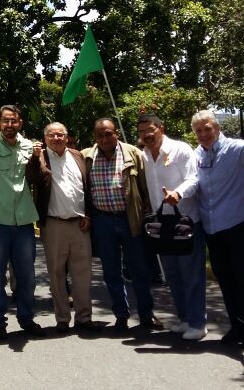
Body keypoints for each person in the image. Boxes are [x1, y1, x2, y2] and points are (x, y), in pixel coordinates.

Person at [167, 110, 244, 349]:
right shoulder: (197, 155)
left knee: (243, 279)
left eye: (207, 129)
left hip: (236, 223)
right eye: (198, 131)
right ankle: (237, 326)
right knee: (225, 279)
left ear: (217, 128)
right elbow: (192, 182)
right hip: (212, 227)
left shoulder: (235, 148)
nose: (203, 134)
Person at [0, 103, 44, 339]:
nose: (10, 125)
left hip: (23, 221)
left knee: (26, 275)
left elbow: (37, 175)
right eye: (5, 121)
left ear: (20, 123)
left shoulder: (29, 146)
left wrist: (37, 156)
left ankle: (26, 318)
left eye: (14, 120)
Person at [85, 118, 161, 332]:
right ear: (95, 137)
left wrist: (147, 209)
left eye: (108, 133)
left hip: (131, 219)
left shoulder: (133, 154)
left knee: (139, 269)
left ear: (116, 132)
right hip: (103, 221)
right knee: (111, 271)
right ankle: (121, 314)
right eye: (100, 135)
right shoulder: (87, 157)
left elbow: (145, 185)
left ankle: (146, 314)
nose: (104, 138)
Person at [25, 122, 100, 334]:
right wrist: (33, 157)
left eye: (60, 135)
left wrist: (88, 214)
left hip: (79, 224)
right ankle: (62, 318)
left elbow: (87, 187)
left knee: (82, 273)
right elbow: (32, 178)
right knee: (56, 273)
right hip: (54, 223)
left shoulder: (78, 156)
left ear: (66, 137)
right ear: (45, 138)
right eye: (51, 135)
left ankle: (84, 317)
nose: (56, 138)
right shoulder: (39, 157)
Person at [136, 114, 205, 339]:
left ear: (161, 128)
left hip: (186, 221)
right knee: (173, 274)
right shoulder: (144, 155)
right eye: (142, 131)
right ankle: (184, 318)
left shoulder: (180, 149)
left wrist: (179, 193)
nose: (147, 135)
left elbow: (194, 179)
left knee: (191, 274)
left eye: (151, 129)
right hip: (161, 224)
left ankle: (198, 323)